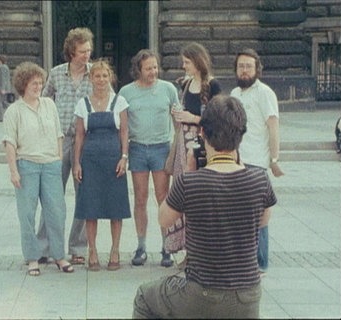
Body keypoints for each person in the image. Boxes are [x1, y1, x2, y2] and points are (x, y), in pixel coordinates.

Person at [132, 94, 277, 319]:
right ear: (241, 135)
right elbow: (263, 221)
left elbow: (164, 219)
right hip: (248, 295)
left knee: (144, 296)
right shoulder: (260, 179)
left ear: (203, 132)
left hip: (203, 293)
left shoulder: (190, 182)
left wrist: (187, 173)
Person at [2, 61, 74, 276]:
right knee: (27, 214)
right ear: (23, 84)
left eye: (40, 82)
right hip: (27, 166)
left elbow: (59, 134)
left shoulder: (49, 105)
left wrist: (59, 157)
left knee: (57, 212)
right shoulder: (13, 111)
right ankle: (33, 258)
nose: (38, 86)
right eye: (34, 83)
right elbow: (10, 143)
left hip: (51, 165)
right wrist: (14, 170)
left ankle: (59, 256)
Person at [118, 49, 181, 267]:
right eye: (148, 68)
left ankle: (167, 247)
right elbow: (122, 126)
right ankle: (141, 246)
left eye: (155, 67)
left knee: (163, 198)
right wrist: (123, 153)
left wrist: (177, 148)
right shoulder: (126, 92)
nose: (153, 72)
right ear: (138, 70)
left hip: (161, 148)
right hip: (137, 149)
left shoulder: (168, 89)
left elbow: (177, 121)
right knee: (140, 198)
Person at [40, 27, 94, 265]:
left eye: (89, 50)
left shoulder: (97, 74)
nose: (87, 55)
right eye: (82, 51)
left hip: (86, 140)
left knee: (83, 194)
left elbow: (110, 101)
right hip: (59, 140)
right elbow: (43, 101)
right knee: (52, 194)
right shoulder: (56, 73)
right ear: (71, 52)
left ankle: (78, 246)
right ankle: (45, 245)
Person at [164, 42, 222, 260]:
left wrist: (194, 118)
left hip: (202, 145)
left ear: (198, 61)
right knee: (184, 193)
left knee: (201, 195)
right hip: (183, 144)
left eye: (187, 62)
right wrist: (177, 114)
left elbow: (218, 116)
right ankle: (188, 249)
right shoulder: (186, 84)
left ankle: (202, 249)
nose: (184, 65)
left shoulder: (213, 85)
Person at [72, 59, 131, 272]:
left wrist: (124, 157)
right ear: (91, 78)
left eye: (105, 76)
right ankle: (93, 250)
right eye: (97, 76)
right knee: (91, 207)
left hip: (113, 158)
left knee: (116, 207)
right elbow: (79, 136)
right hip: (90, 159)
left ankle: (115, 250)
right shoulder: (82, 104)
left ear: (110, 78)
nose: (101, 80)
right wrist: (77, 163)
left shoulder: (120, 102)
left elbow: (124, 131)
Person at [230, 48, 284, 275]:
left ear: (256, 69)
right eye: (241, 66)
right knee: (238, 215)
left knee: (260, 213)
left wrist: (274, 158)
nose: (244, 70)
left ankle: (260, 262)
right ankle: (240, 260)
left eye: (248, 66)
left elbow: (273, 127)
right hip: (236, 161)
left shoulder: (265, 93)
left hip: (257, 163)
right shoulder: (235, 93)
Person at [0, 55, 12, 122]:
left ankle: (0, 117)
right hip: (4, 88)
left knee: (0, 103)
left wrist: (3, 88)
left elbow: (3, 78)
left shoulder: (2, 67)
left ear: (0, 60)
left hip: (3, 88)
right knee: (5, 102)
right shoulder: (4, 67)